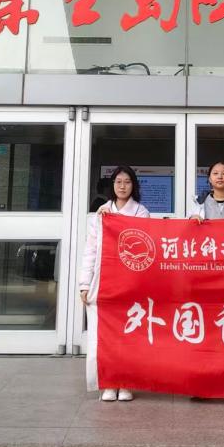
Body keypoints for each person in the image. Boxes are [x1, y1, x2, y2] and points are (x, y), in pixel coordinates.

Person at [78, 164, 150, 402]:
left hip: (131, 284)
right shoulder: (102, 213)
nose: (122, 186)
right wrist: (84, 283)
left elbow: (145, 247)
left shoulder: (141, 212)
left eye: (127, 182)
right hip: (105, 283)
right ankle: (109, 382)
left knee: (128, 334)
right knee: (106, 335)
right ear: (112, 185)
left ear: (133, 186)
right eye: (118, 182)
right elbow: (91, 249)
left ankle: (127, 383)